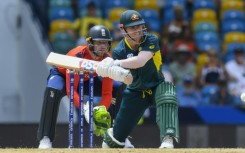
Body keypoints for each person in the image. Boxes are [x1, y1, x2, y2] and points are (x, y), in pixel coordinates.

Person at [37, 25, 133, 149]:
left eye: (105, 43)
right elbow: (71, 90)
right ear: (90, 43)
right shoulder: (77, 56)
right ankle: (45, 138)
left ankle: (118, 136)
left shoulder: (107, 59)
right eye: (99, 42)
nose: (103, 46)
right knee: (52, 90)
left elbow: (107, 93)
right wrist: (85, 108)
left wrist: (101, 110)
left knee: (118, 87)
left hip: (88, 79)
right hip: (63, 77)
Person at [96, 10, 179, 148]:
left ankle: (167, 140)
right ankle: (117, 139)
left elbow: (140, 61)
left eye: (139, 26)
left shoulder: (150, 39)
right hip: (135, 91)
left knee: (168, 93)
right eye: (132, 27)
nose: (137, 30)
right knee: (114, 141)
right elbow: (127, 80)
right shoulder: (119, 51)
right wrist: (110, 72)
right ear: (122, 28)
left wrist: (115, 63)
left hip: (156, 85)